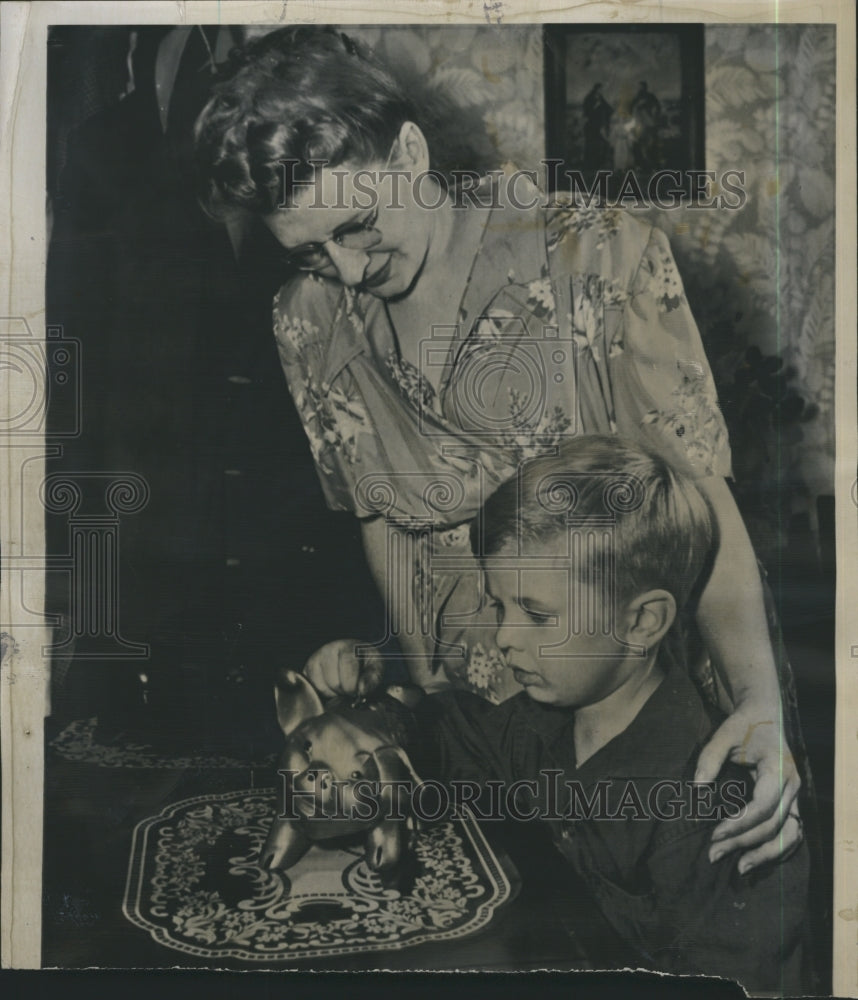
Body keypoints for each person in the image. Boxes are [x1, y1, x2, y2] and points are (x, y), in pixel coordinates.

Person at [194, 25, 803, 872]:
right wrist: (427, 702)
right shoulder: (308, 318)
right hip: (475, 727)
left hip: (630, 706)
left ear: (410, 153)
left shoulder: (598, 252)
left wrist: (758, 702)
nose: (348, 269)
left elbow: (700, 501)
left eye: (358, 226)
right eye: (310, 252)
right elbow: (381, 517)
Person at [303, 436, 811, 991]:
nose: (504, 637)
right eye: (500, 607)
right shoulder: (538, 722)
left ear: (641, 623)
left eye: (537, 616)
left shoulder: (709, 803)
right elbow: (442, 735)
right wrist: (366, 706)